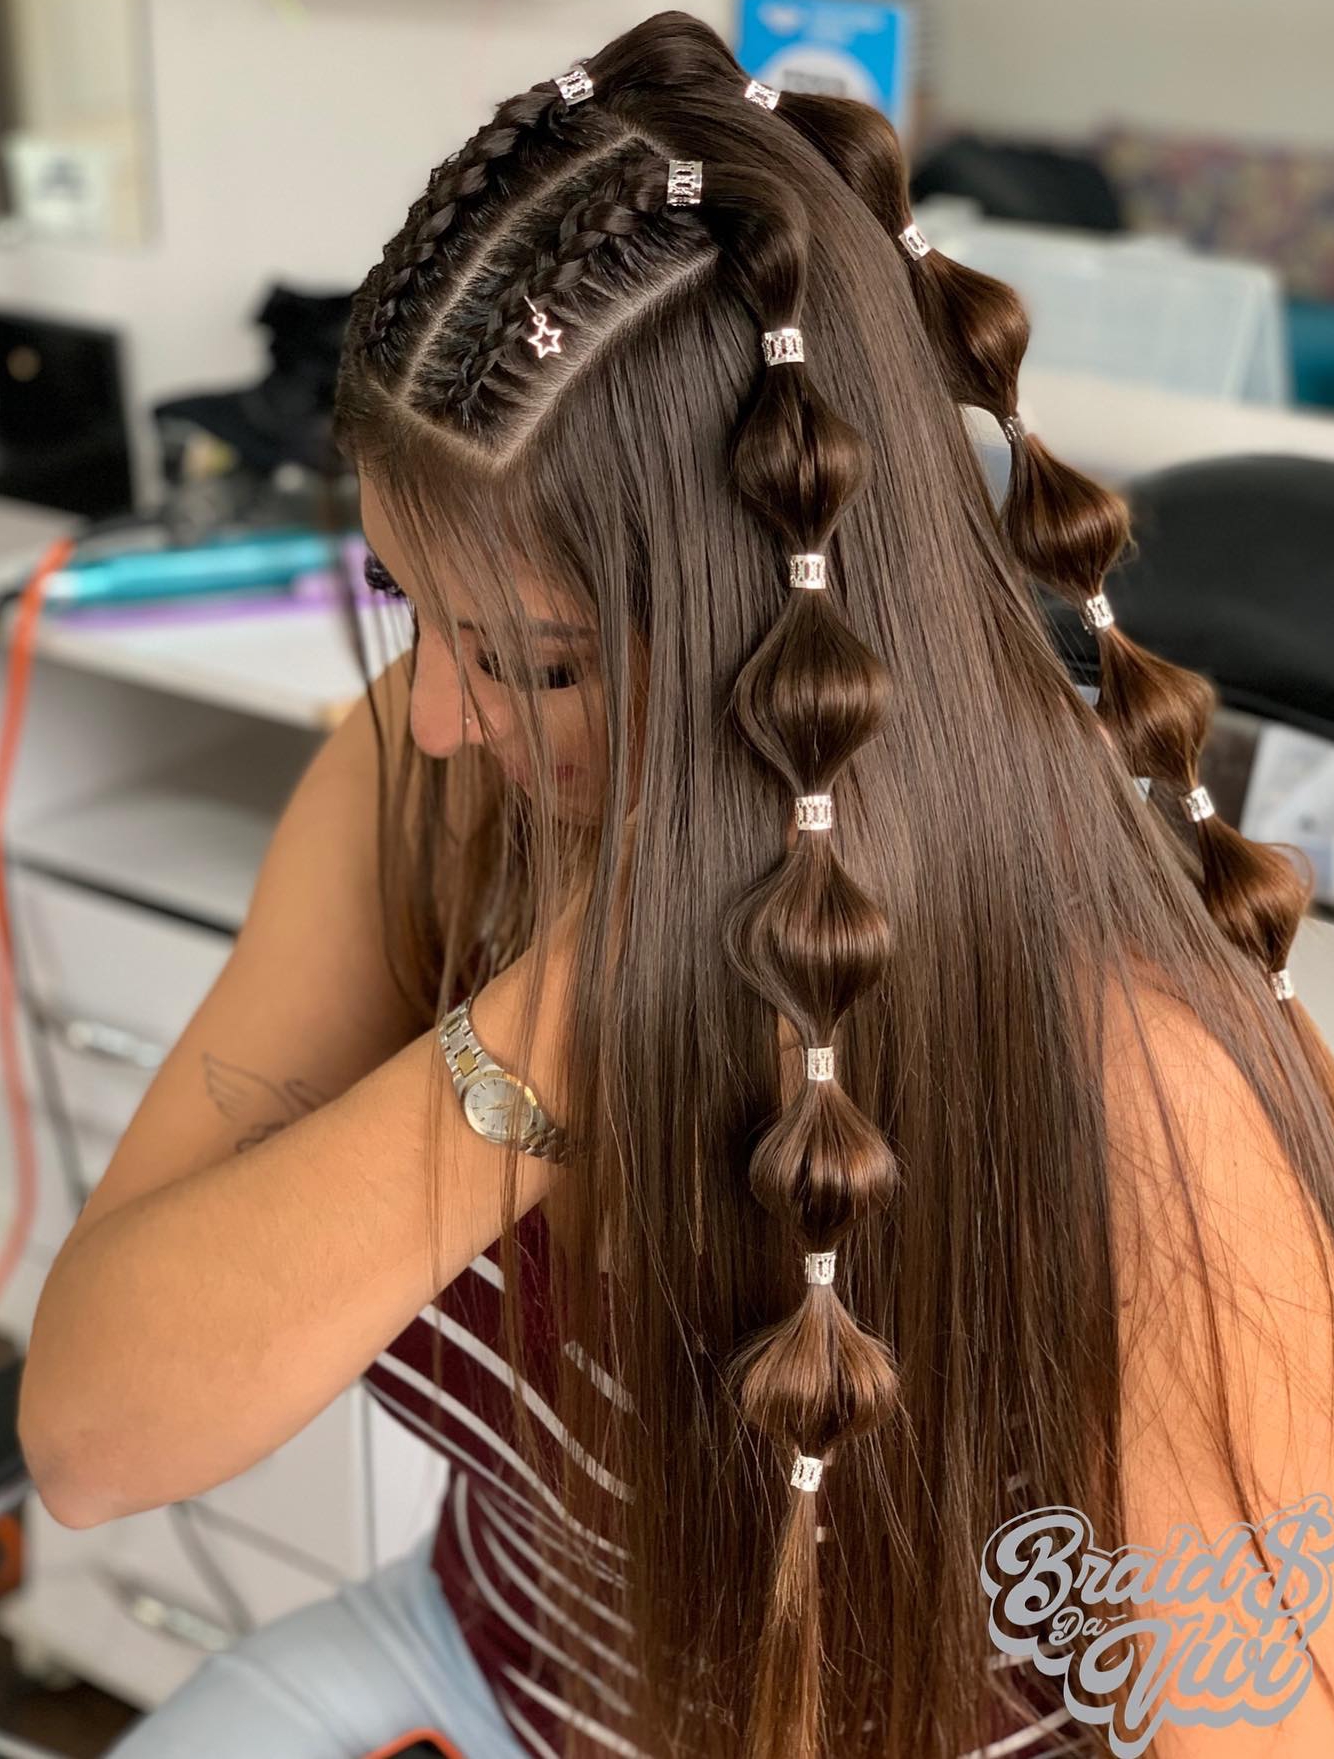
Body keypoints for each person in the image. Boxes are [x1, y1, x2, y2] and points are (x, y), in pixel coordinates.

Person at [19, 12, 1334, 1758]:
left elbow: (1259, 1724)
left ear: (782, 644)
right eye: (418, 608)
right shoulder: (436, 794)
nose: (432, 713)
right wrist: (581, 999)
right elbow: (99, 1444)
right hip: (475, 1663)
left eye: (535, 662)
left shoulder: (1127, 1083)